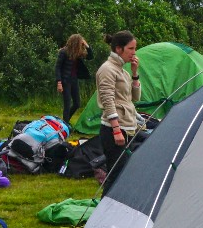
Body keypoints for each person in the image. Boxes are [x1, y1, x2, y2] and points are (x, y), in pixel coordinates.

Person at [94, 31, 142, 175]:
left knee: (124, 173)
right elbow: (107, 100)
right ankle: (107, 198)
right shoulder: (107, 69)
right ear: (118, 49)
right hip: (114, 129)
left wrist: (135, 74)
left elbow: (135, 98)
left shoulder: (122, 71)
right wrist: (116, 130)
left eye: (135, 49)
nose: (134, 53)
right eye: (131, 48)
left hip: (127, 126)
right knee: (115, 174)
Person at [55, 34, 90, 124]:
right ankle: (65, 125)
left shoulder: (78, 53)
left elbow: (90, 57)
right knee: (67, 104)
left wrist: (87, 46)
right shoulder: (63, 52)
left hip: (74, 80)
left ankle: (64, 122)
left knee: (77, 103)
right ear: (75, 42)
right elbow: (57, 67)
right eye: (80, 42)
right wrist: (59, 82)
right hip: (65, 80)